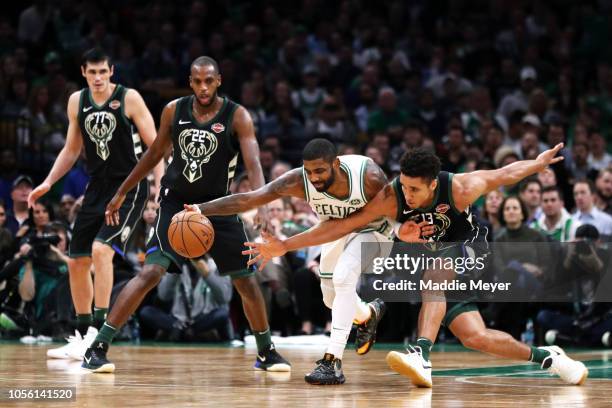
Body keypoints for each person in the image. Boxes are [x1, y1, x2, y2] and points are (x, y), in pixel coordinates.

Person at [245, 144, 589, 387]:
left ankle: (420, 354)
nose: (407, 196)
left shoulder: (462, 188)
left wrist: (537, 164)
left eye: (415, 190)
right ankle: (549, 357)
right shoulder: (392, 195)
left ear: (433, 184)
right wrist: (285, 245)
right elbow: (343, 225)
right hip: (439, 259)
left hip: (470, 250)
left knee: (432, 276)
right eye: (405, 187)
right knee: (476, 337)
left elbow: (504, 173)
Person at [82, 56, 290, 374]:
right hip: (175, 205)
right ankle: (97, 347)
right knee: (150, 274)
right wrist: (123, 189)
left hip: (220, 207)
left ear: (218, 80)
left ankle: (266, 352)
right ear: (190, 81)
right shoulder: (173, 110)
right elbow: (153, 154)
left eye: (209, 81)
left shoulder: (238, 116)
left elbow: (254, 164)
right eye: (197, 81)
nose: (203, 87)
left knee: (246, 283)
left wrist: (261, 203)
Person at [185, 138, 392, 385]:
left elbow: (395, 210)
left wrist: (284, 246)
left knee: (343, 276)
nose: (313, 178)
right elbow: (249, 199)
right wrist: (200, 209)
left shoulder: (368, 176)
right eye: (309, 171)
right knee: (332, 298)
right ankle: (368, 312)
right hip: (333, 229)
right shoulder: (298, 181)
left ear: (336, 164)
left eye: (320, 171)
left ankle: (332, 362)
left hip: (376, 232)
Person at [27, 48, 163, 360]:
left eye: (103, 71)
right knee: (76, 261)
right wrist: (48, 181)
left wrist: (159, 185)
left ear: (112, 71)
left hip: (130, 185)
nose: (99, 77)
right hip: (97, 187)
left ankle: (100, 333)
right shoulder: (77, 101)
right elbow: (71, 149)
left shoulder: (129, 98)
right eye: (93, 72)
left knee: (102, 251)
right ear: (84, 73)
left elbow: (155, 145)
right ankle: (83, 333)